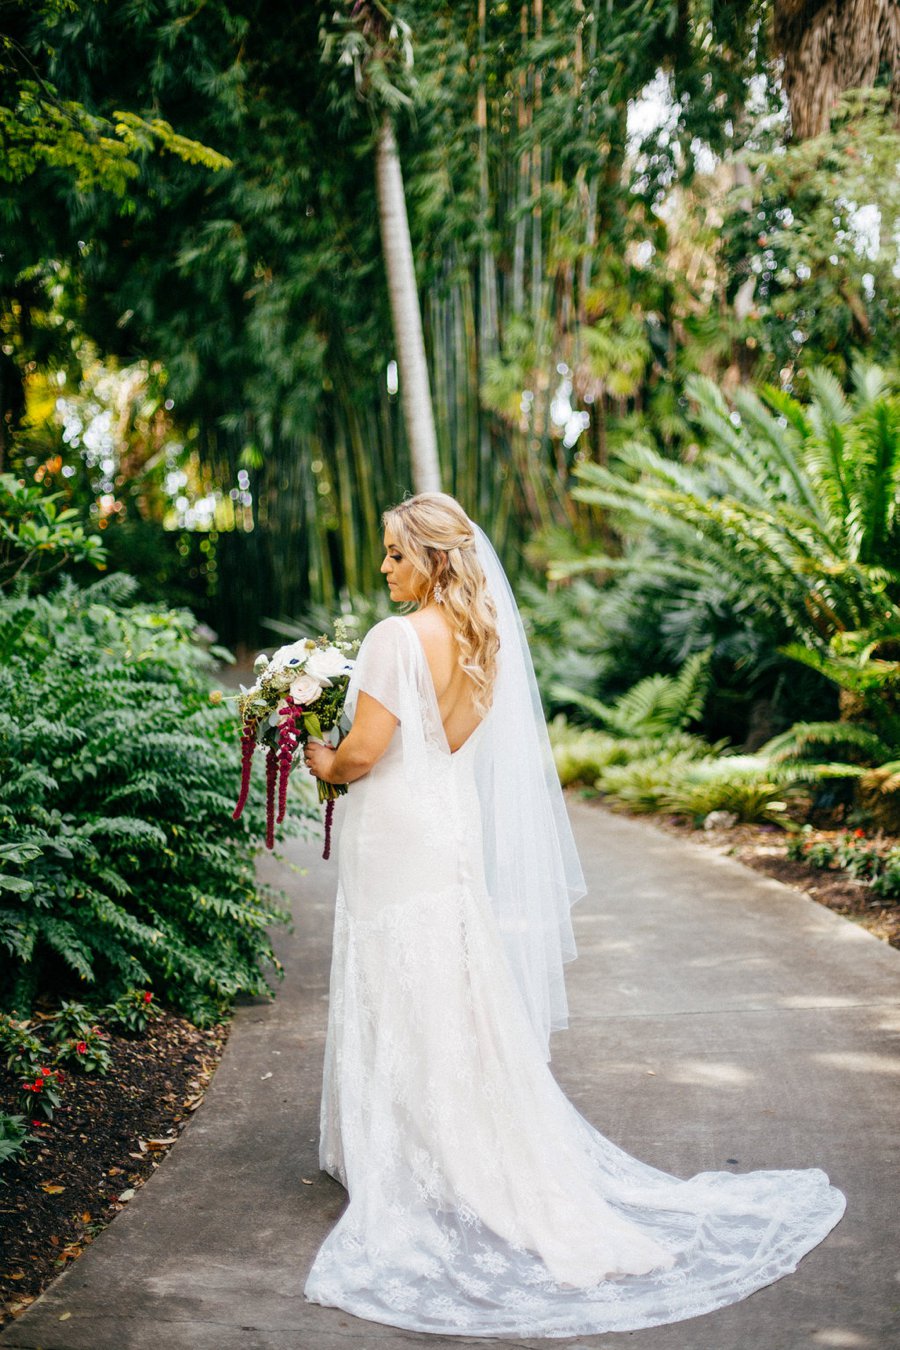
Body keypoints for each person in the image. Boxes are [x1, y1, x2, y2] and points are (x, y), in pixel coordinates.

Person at [301, 491, 845, 1339]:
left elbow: (363, 758)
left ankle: (408, 1150)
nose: (384, 569)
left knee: (398, 973)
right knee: (449, 980)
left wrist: (312, 750)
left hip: (400, 833)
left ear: (436, 559)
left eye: (396, 555)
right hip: (447, 833)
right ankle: (460, 1140)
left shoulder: (393, 639)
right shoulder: (483, 643)